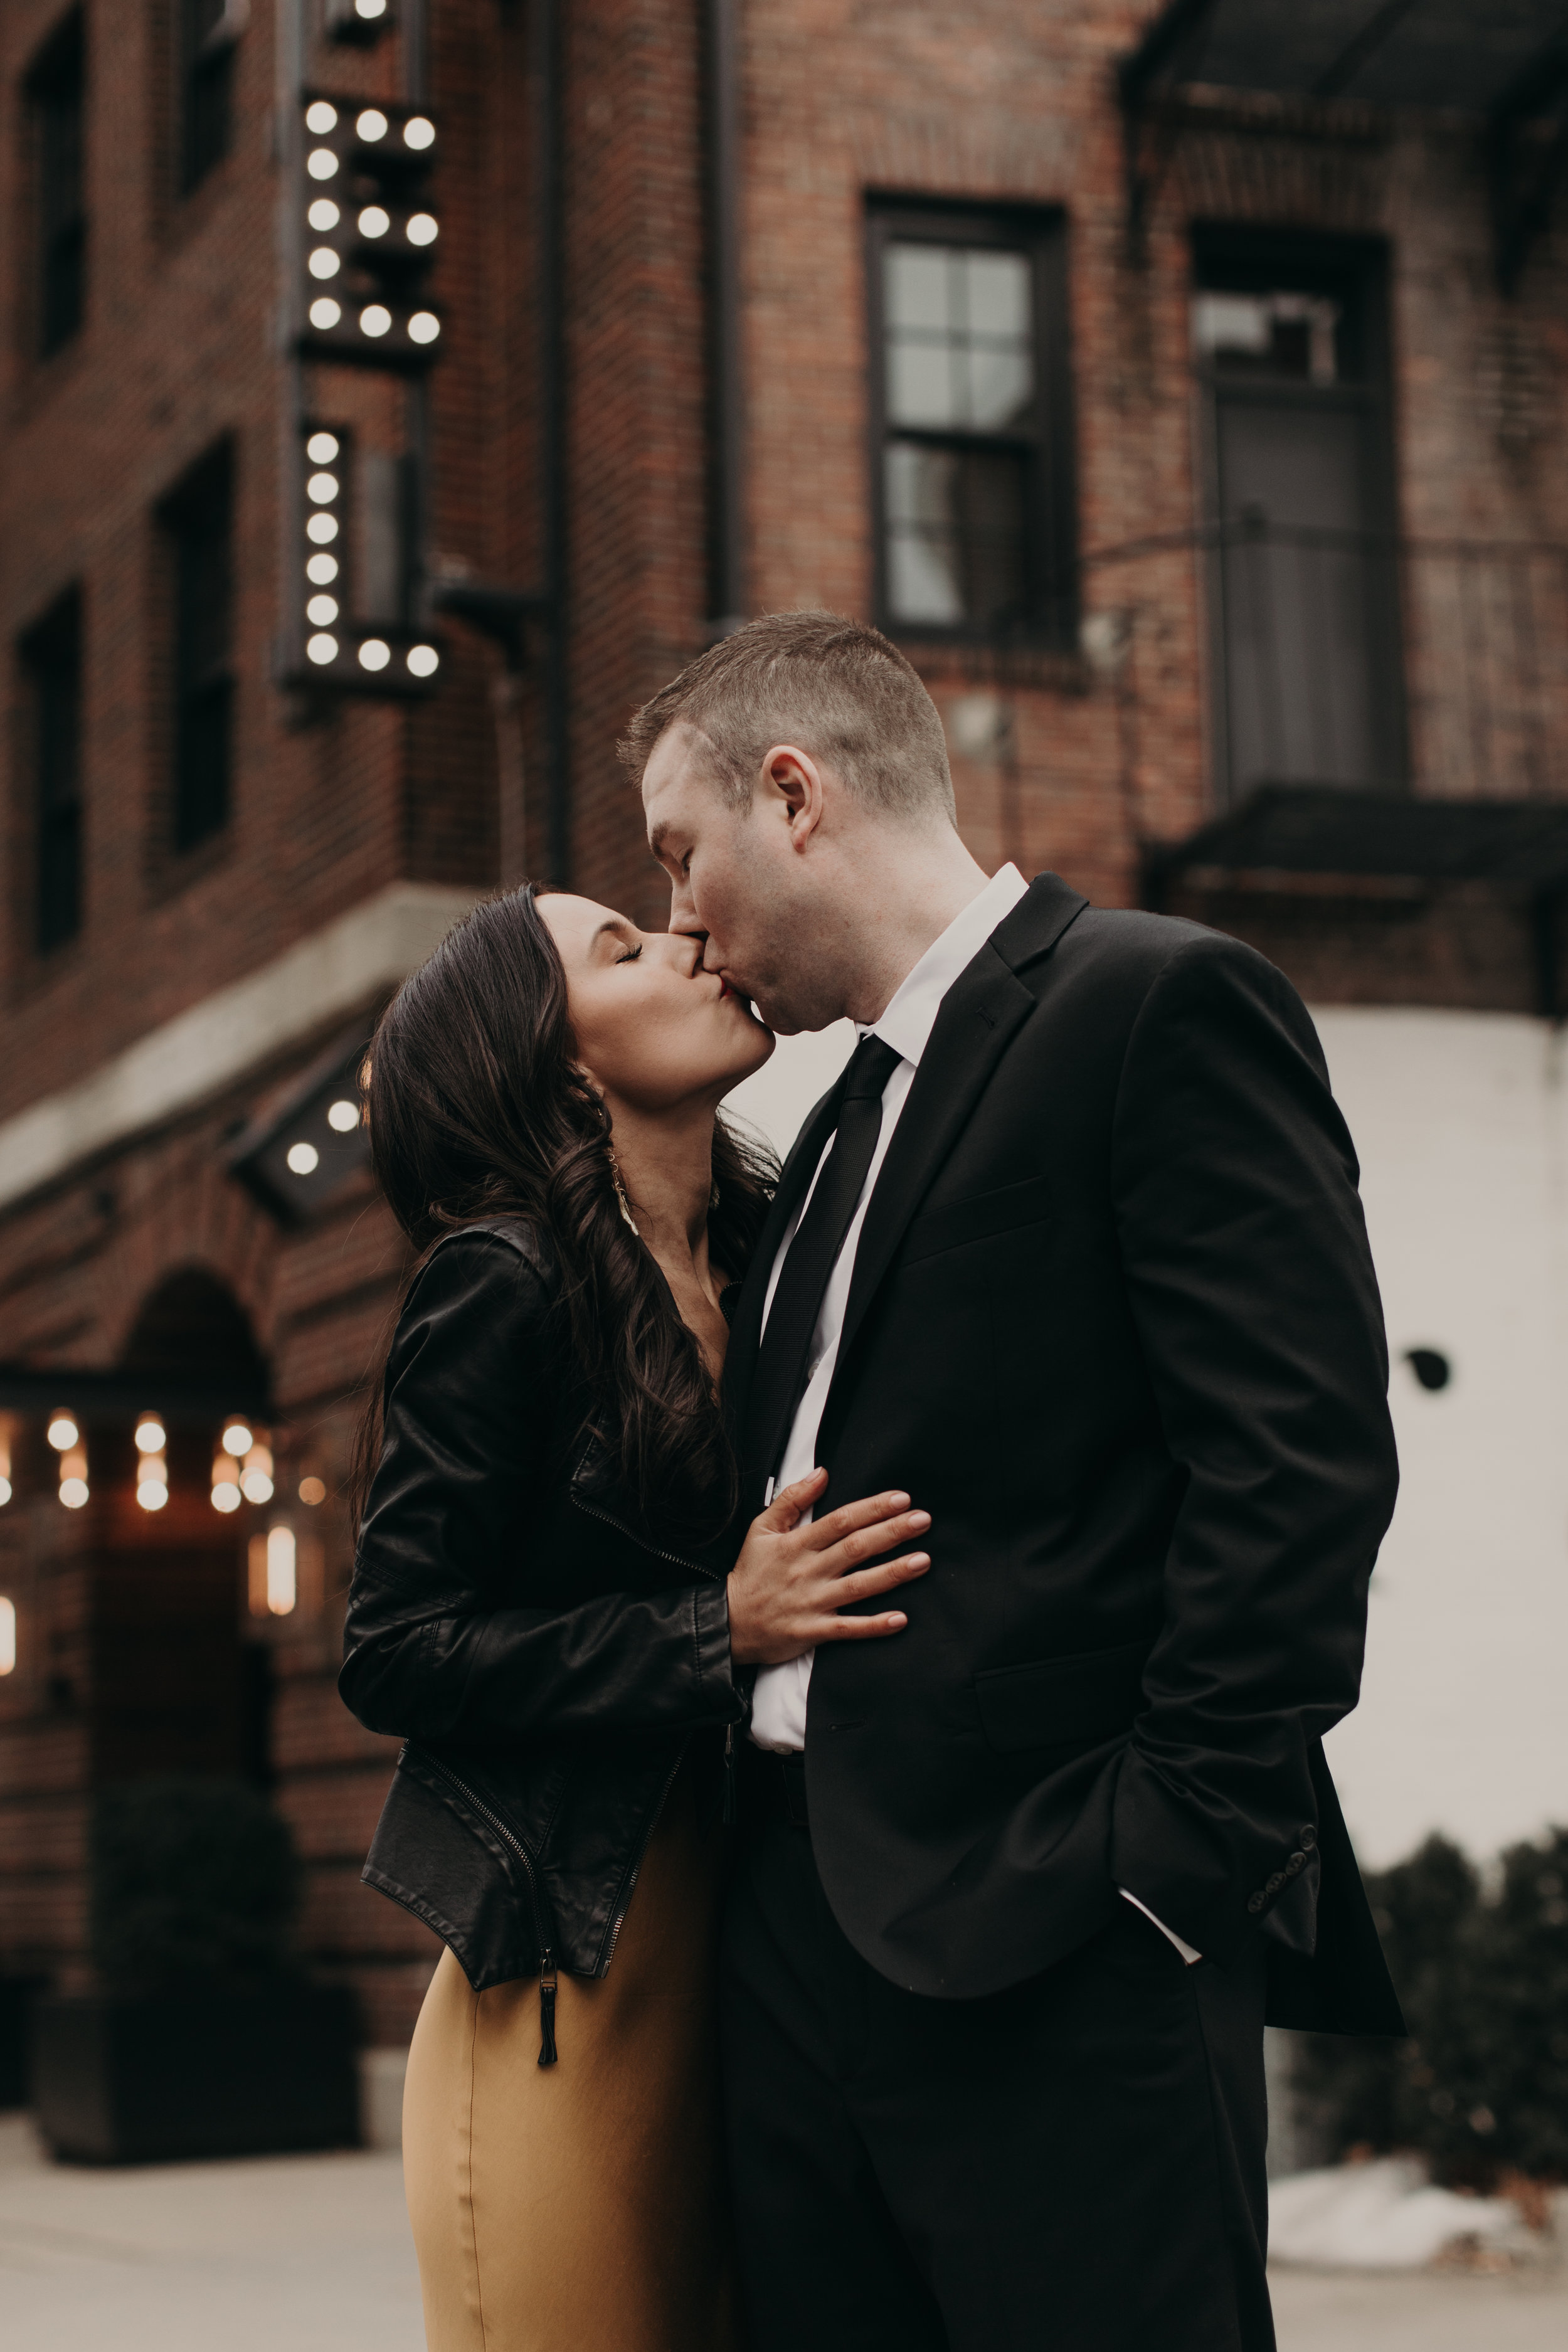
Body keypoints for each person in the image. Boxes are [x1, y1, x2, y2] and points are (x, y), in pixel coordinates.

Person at [625, 609, 1406, 2352]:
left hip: (1059, 1932)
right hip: (789, 1945)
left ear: (793, 793)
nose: (683, 916)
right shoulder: (824, 1129)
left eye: (683, 855)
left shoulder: (1154, 1000)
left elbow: (1295, 1464)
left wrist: (1152, 1867)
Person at [338, 886, 933, 2352]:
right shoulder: (502, 1281)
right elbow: (395, 1647)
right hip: (566, 1984)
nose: (688, 942)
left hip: (751, 1962)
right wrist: (707, 1631)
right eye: (623, 948)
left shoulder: (771, 1253)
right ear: (554, 1062)